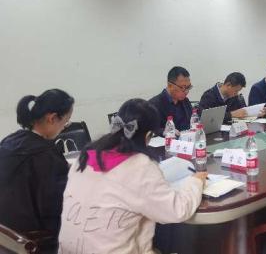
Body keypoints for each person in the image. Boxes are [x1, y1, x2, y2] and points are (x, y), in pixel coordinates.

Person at [58, 99, 206, 254]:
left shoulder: (85, 156)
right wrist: (196, 181)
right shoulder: (139, 166)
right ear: (148, 135)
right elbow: (177, 210)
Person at [0, 89, 74, 244]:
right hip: (35, 239)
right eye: (66, 122)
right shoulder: (45, 154)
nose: (64, 127)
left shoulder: (10, 141)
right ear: (52, 118)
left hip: (7, 235)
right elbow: (58, 206)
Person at [149, 66, 193, 132]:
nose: (186, 92)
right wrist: (164, 131)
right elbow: (149, 130)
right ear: (170, 85)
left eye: (188, 87)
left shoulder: (185, 101)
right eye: (183, 87)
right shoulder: (154, 105)